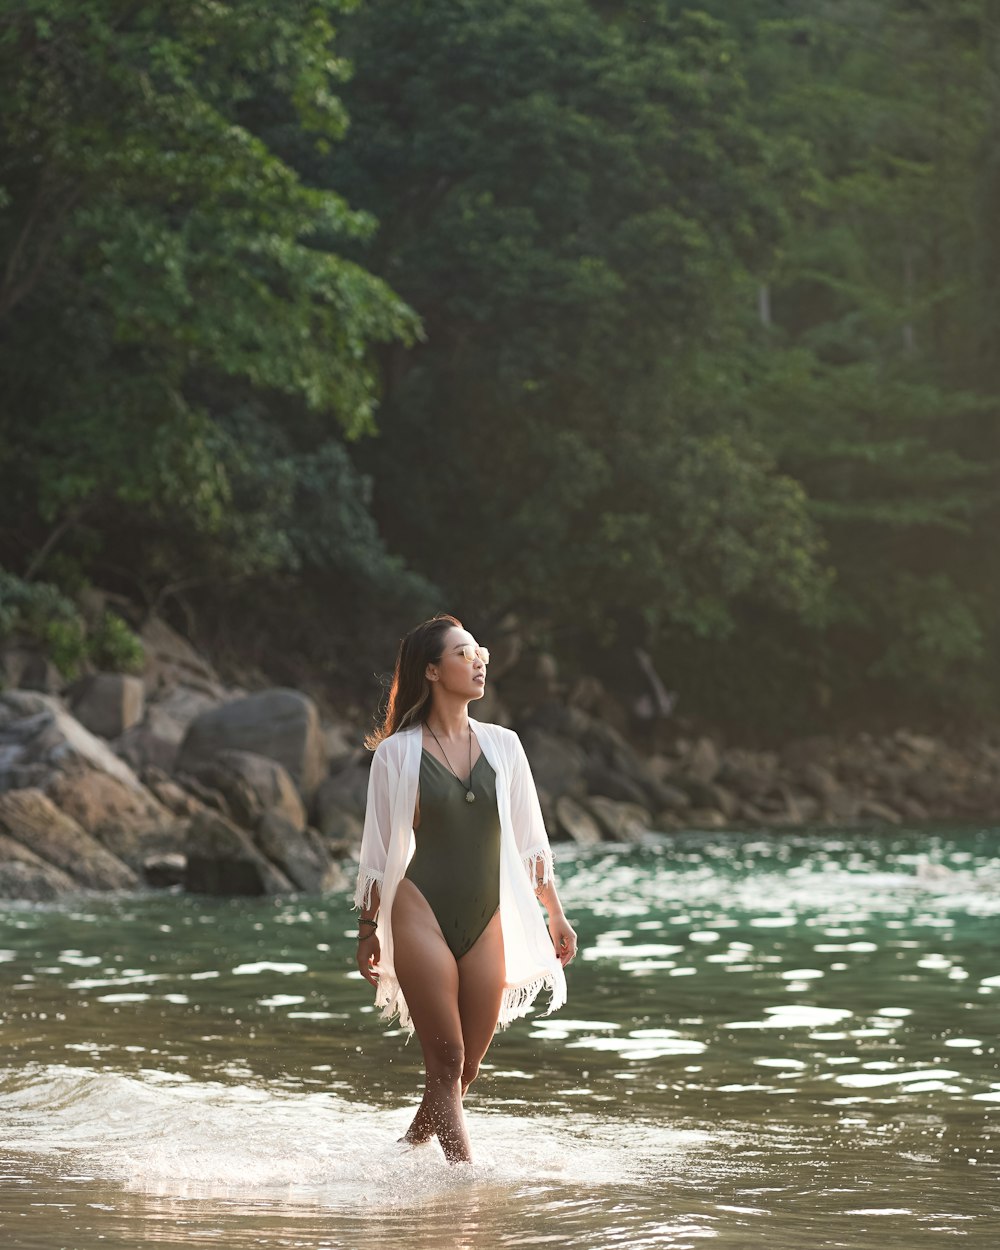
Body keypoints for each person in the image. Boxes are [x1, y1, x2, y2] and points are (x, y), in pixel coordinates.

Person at [354, 614, 577, 1164]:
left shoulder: (505, 746)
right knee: (447, 1057)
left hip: (487, 916)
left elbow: (531, 842)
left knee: (463, 1069)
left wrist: (556, 914)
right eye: (463, 653)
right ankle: (464, 1182)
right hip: (419, 909)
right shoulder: (397, 754)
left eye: (480, 652)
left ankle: (405, 1154)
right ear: (432, 671)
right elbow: (379, 853)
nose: (479, 661)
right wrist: (366, 927)